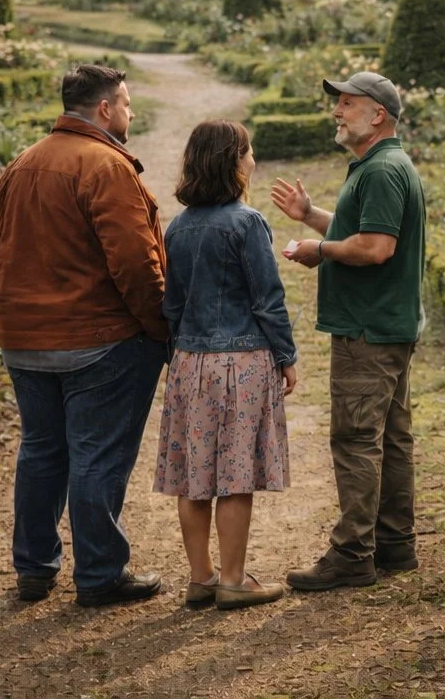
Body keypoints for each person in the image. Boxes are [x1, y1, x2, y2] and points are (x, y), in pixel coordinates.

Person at [0, 63, 168, 607]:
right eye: (128, 103)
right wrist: (160, 329)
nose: (131, 113)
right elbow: (136, 264)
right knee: (97, 456)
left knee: (42, 451)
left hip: (23, 337)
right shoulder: (106, 165)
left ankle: (35, 568)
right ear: (106, 108)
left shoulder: (22, 162)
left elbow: (2, 247)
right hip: (97, 340)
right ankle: (99, 575)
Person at [271, 71, 425, 591]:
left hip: (368, 328)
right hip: (387, 325)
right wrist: (311, 216)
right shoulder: (383, 166)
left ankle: (353, 554)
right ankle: (394, 545)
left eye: (346, 103)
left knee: (357, 439)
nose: (336, 112)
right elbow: (365, 230)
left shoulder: (382, 170)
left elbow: (376, 248)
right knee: (393, 438)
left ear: (377, 114)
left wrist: (320, 251)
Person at [155, 120, 298, 610]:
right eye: (249, 152)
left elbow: (170, 305)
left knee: (195, 475)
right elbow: (268, 300)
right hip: (241, 364)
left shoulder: (178, 226)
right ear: (233, 161)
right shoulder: (247, 223)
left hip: (189, 363)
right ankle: (234, 580)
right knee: (234, 475)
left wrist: (178, 357)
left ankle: (202, 578)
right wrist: (286, 355)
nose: (254, 160)